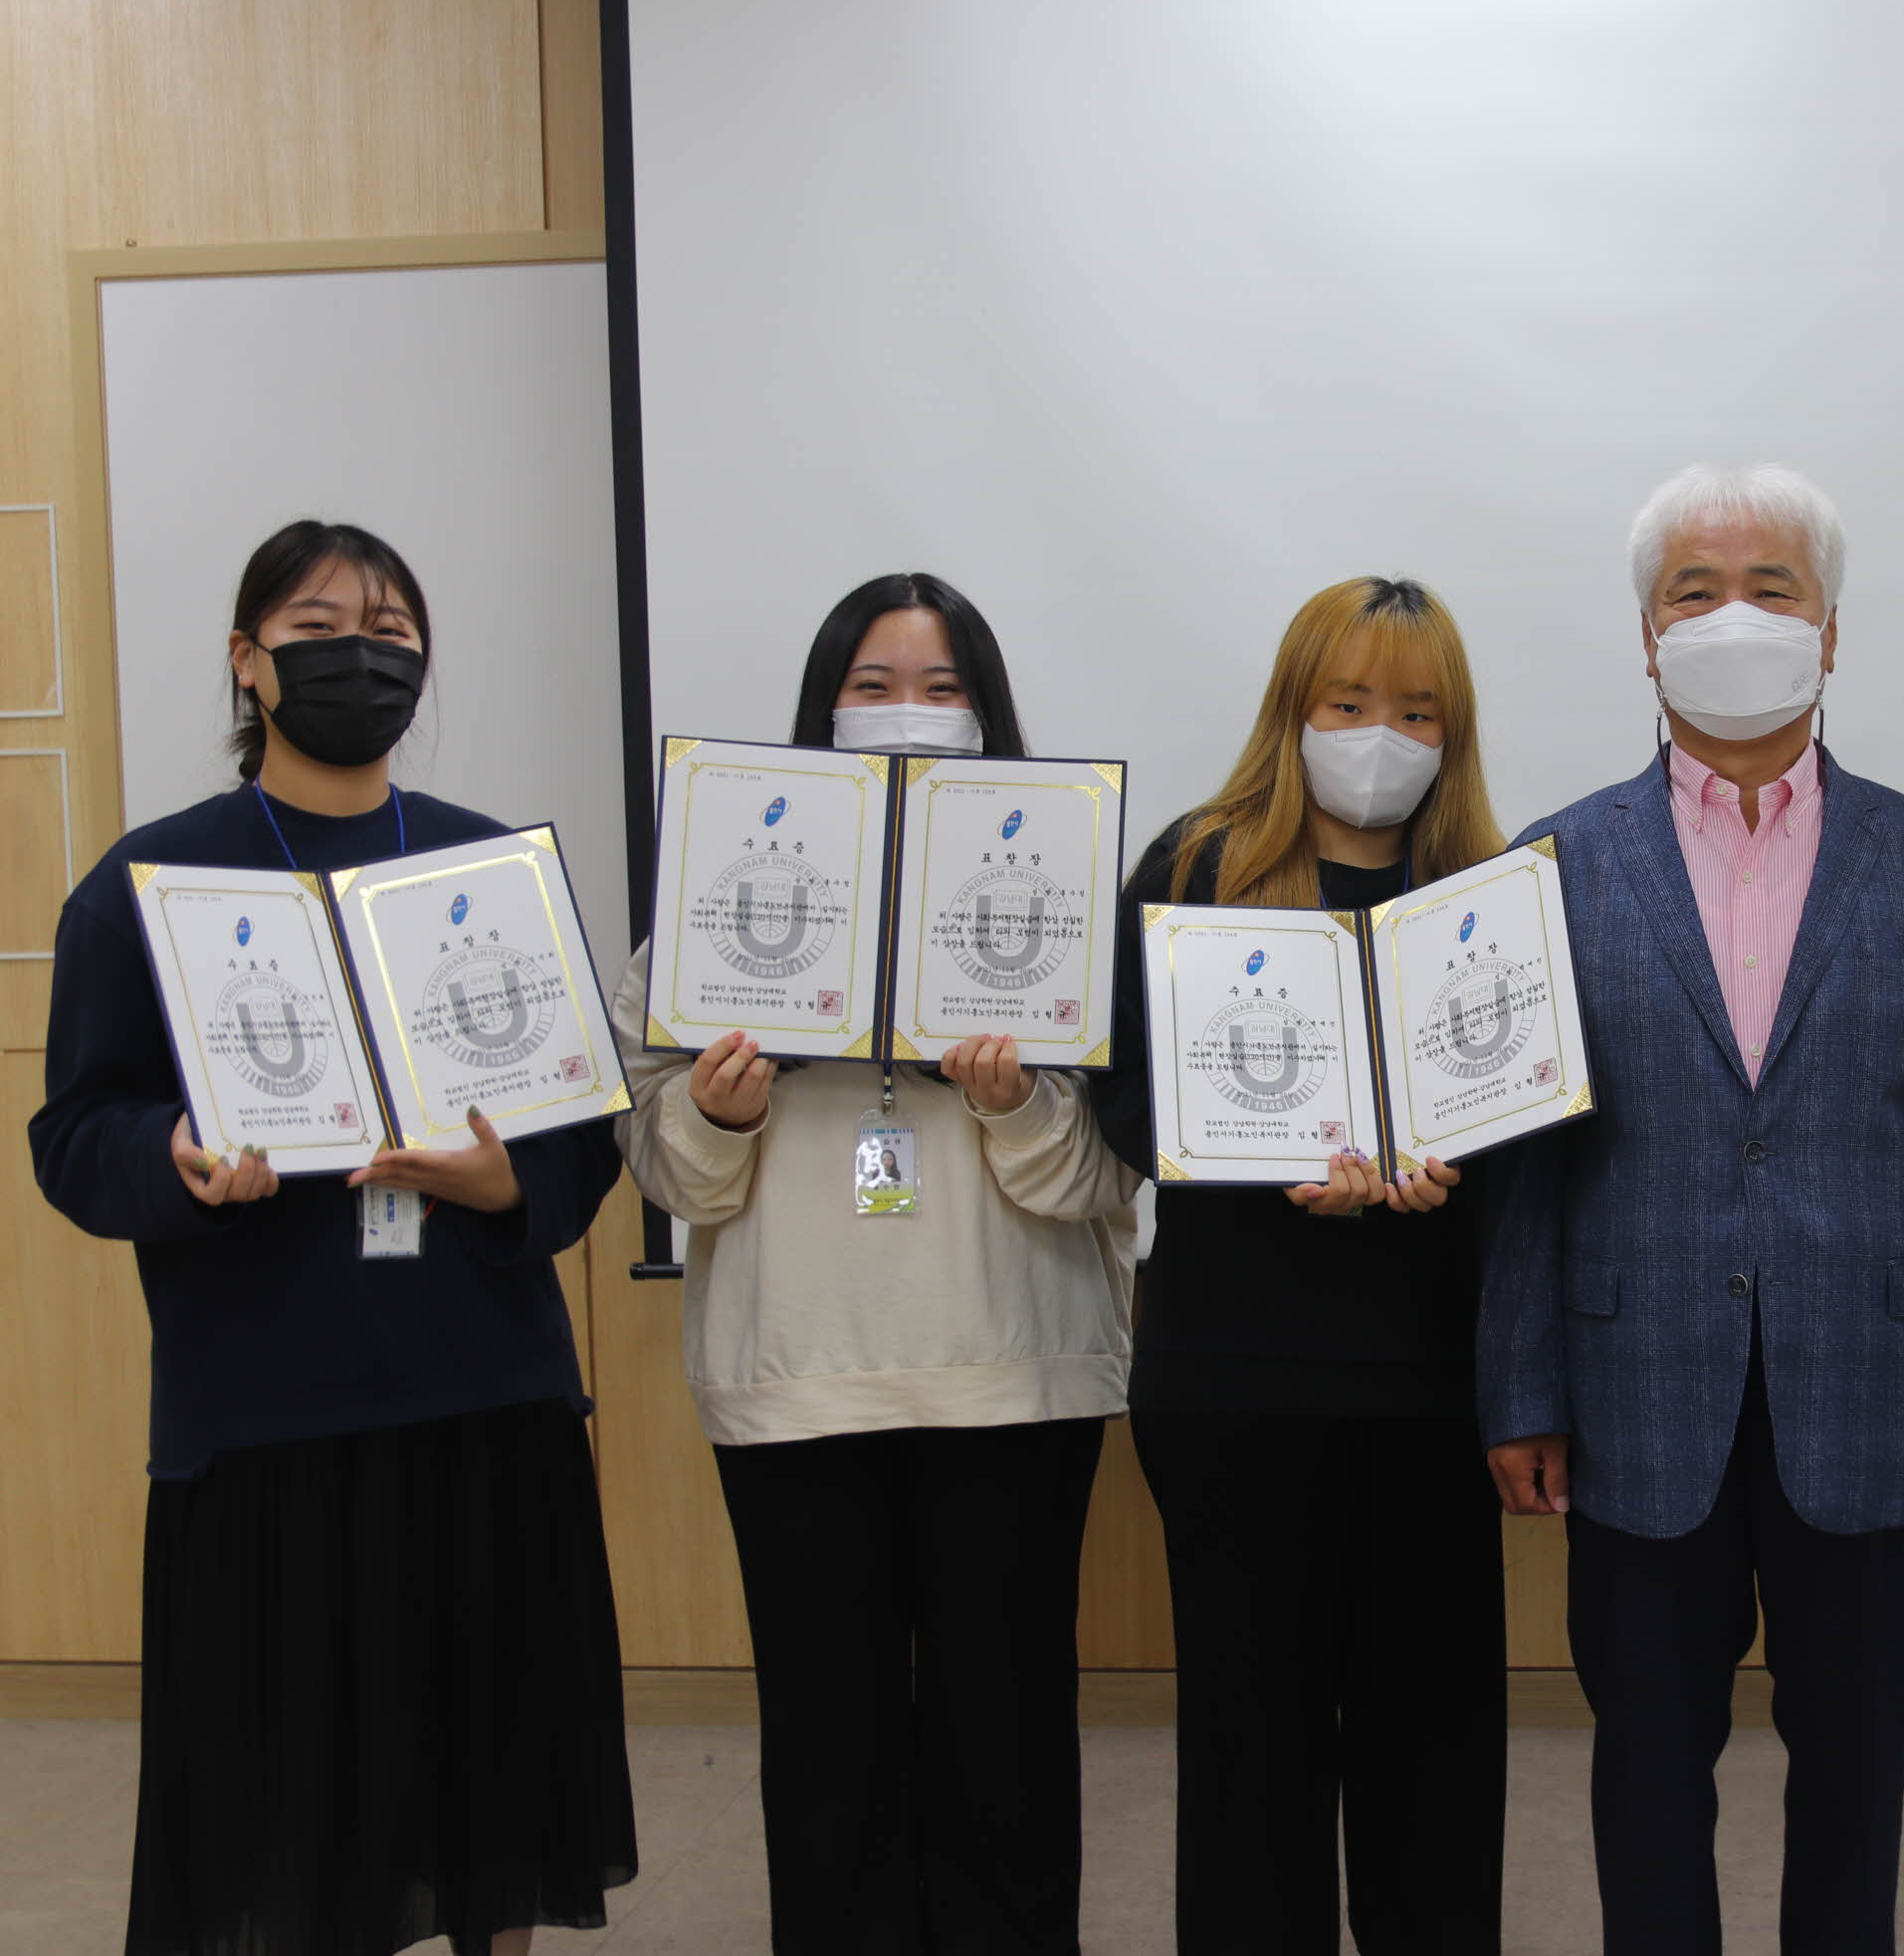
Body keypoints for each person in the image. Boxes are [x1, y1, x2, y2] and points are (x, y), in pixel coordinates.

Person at [28, 520, 635, 1956]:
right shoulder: (149, 883)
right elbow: (76, 1135)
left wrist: (504, 1184)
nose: (361, 655)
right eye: (318, 627)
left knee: (489, 1785)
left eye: (392, 630)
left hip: (485, 1395)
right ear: (247, 661)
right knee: (283, 1816)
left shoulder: (487, 868)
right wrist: (176, 1157)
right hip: (265, 1418)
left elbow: (579, 1134)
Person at [1476, 464, 1904, 1954]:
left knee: (1857, 1772)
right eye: (1695, 592)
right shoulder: (1552, 863)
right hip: (1632, 1394)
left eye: (1771, 589)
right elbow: (1528, 1162)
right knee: (1648, 1772)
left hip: (1876, 1388)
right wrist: (1520, 1388)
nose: (1734, 617)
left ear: (1831, 630)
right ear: (1646, 635)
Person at [611, 573, 1139, 1954]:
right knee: (827, 1748)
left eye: (943, 688)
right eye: (874, 685)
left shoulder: (1068, 903)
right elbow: (663, 1169)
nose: (909, 712)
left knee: (1007, 1745)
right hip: (797, 1379)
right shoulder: (713, 899)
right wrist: (719, 1112)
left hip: (1013, 1375)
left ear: (989, 713)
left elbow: (1107, 1175)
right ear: (823, 709)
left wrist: (1014, 1104)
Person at [1090, 576, 1511, 1954]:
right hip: (1234, 1386)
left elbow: (1530, 1125)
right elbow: (1125, 1099)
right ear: (1294, 709)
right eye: (1349, 702)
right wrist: (1257, 1158)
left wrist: (1457, 1172)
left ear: (1452, 735)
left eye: (1417, 712)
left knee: (1433, 1769)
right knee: (1248, 1763)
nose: (1381, 736)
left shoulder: (1487, 897)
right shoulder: (1193, 870)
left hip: (1433, 1393)